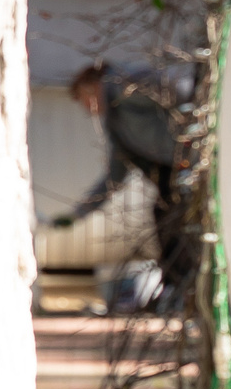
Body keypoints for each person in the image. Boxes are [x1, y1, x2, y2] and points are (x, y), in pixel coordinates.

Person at [60, 63, 190, 308]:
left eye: (85, 100)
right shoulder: (117, 124)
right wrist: (81, 212)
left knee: (175, 225)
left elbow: (179, 90)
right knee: (164, 220)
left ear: (92, 86)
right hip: (170, 175)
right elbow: (115, 176)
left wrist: (189, 138)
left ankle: (181, 288)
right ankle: (176, 288)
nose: (89, 110)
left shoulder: (125, 89)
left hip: (187, 161)